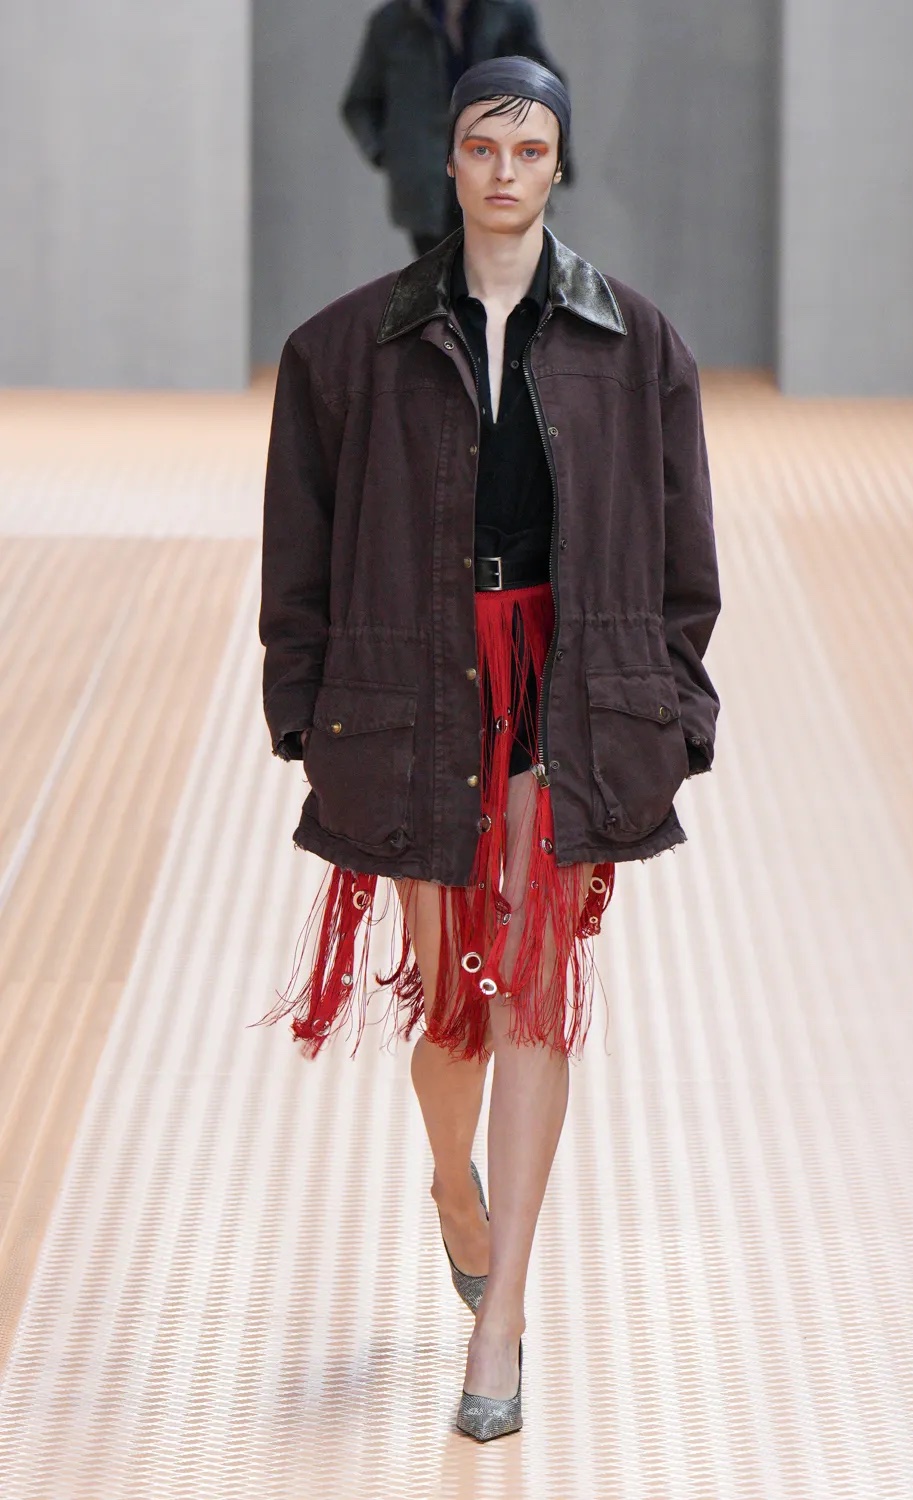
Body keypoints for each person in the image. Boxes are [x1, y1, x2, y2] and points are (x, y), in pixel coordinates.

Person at [259, 56, 721, 1441]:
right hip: (417, 688)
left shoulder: (639, 345)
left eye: (530, 148)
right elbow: (297, 557)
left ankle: (502, 1312)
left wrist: (675, 708)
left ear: (560, 163)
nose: (506, 170)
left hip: (567, 688)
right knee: (454, 999)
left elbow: (685, 556)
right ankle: (452, 1187)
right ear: (448, 162)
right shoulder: (347, 348)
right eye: (482, 146)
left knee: (533, 987)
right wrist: (306, 713)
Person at [342, 0, 565, 257]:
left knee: (498, 269)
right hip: (426, 183)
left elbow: (546, 87)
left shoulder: (506, 13)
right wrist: (386, 153)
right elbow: (360, 103)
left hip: (497, 171)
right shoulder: (394, 21)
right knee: (440, 273)